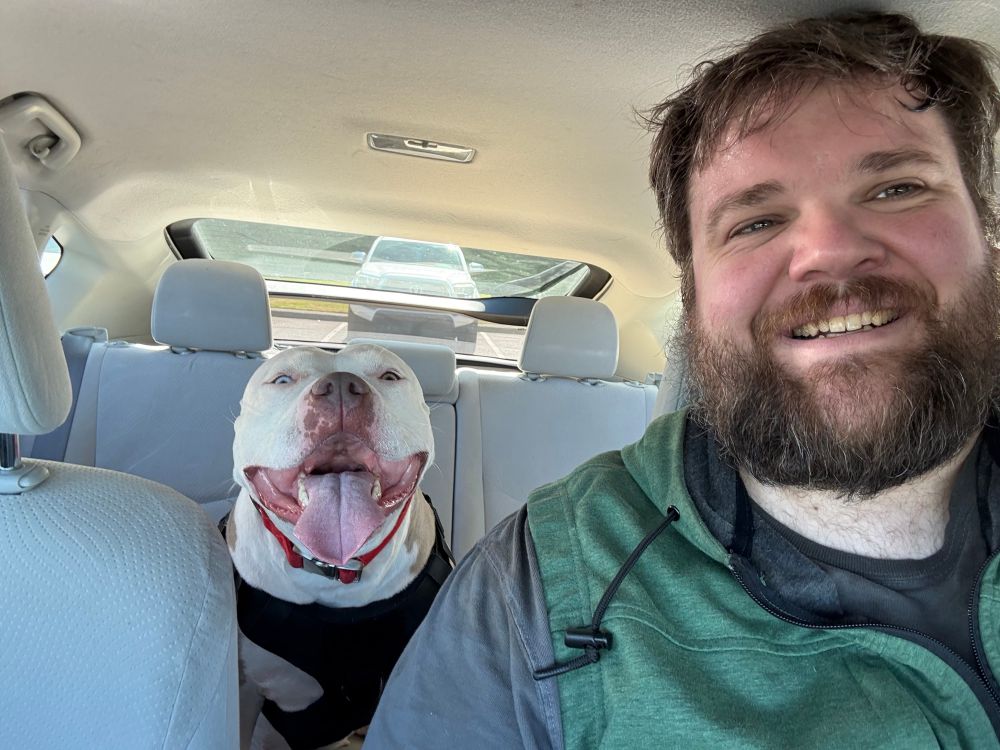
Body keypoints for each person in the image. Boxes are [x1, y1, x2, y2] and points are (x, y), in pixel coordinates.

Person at [365, 11, 1000, 748]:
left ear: (986, 234)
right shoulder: (529, 595)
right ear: (693, 296)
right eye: (755, 222)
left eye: (896, 188)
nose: (829, 252)